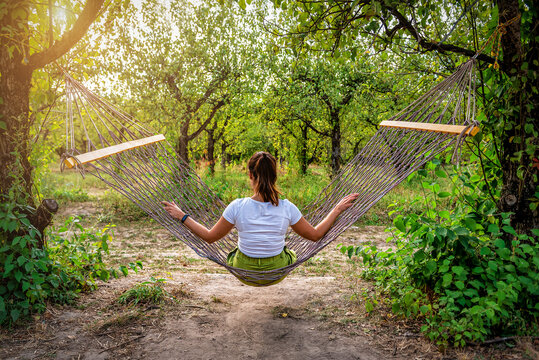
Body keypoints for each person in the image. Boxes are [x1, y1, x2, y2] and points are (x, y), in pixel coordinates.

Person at [162, 151, 359, 285]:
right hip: (276, 272)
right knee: (290, 252)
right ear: (275, 175)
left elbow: (210, 237)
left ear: (249, 175)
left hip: (245, 272)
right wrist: (336, 209)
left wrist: (182, 215)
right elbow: (315, 236)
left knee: (234, 252)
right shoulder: (287, 208)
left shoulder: (237, 207)